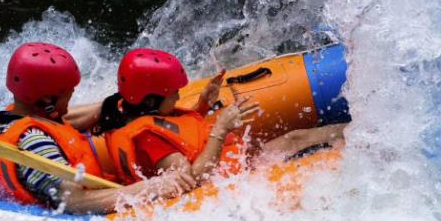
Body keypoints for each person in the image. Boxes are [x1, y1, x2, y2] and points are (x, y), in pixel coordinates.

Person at [0, 43, 196, 214]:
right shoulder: (34, 142)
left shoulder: (20, 114)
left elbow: (60, 124)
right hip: (71, 218)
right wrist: (154, 186)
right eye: (68, 95)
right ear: (46, 100)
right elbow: (74, 203)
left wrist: (115, 105)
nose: (70, 100)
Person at [92, 48, 348, 184]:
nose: (179, 97)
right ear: (150, 100)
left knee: (296, 137)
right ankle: (362, 142)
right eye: (173, 93)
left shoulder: (132, 112)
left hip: (235, 161)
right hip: (227, 181)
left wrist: (203, 104)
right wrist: (221, 128)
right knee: (297, 142)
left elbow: (181, 131)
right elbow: (193, 178)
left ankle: (360, 133)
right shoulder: (148, 139)